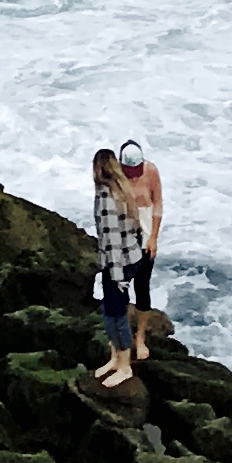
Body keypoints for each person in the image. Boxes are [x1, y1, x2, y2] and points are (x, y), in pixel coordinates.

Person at [88, 147, 147, 389]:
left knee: (116, 314)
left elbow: (111, 238)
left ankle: (125, 365)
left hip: (117, 265)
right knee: (110, 310)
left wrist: (117, 275)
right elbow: (134, 230)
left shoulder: (105, 195)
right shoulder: (121, 189)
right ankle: (115, 358)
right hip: (130, 260)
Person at [116, 138, 166, 363]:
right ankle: (123, 335)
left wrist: (154, 237)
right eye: (130, 172)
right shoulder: (115, 177)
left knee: (142, 287)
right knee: (122, 287)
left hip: (145, 234)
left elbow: (157, 204)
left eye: (136, 171)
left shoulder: (151, 171)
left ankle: (140, 337)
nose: (134, 176)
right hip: (124, 234)